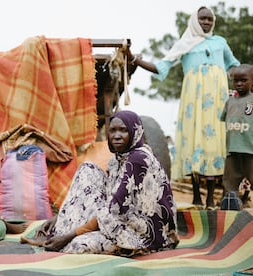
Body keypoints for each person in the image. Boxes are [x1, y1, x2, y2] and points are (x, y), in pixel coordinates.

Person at [22, 110, 178, 256]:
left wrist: (69, 236)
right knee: (87, 169)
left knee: (77, 245)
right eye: (113, 130)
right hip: (120, 220)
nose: (117, 136)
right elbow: (105, 198)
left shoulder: (138, 159)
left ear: (135, 132)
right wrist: (60, 217)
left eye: (123, 130)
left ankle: (61, 236)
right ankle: (58, 232)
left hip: (145, 235)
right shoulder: (117, 161)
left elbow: (113, 209)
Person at [128, 6, 240, 209]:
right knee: (194, 140)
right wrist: (135, 59)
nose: (206, 22)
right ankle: (197, 196)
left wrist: (241, 84)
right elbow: (161, 68)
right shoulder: (184, 44)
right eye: (202, 19)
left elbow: (234, 66)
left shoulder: (220, 43)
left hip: (217, 99)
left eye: (209, 19)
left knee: (214, 142)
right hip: (193, 100)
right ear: (195, 21)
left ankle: (211, 198)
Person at [221, 64, 253, 206]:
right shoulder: (229, 102)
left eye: (244, 80)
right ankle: (231, 212)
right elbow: (224, 120)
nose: (239, 84)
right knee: (229, 184)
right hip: (232, 151)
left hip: (250, 151)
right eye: (236, 80)